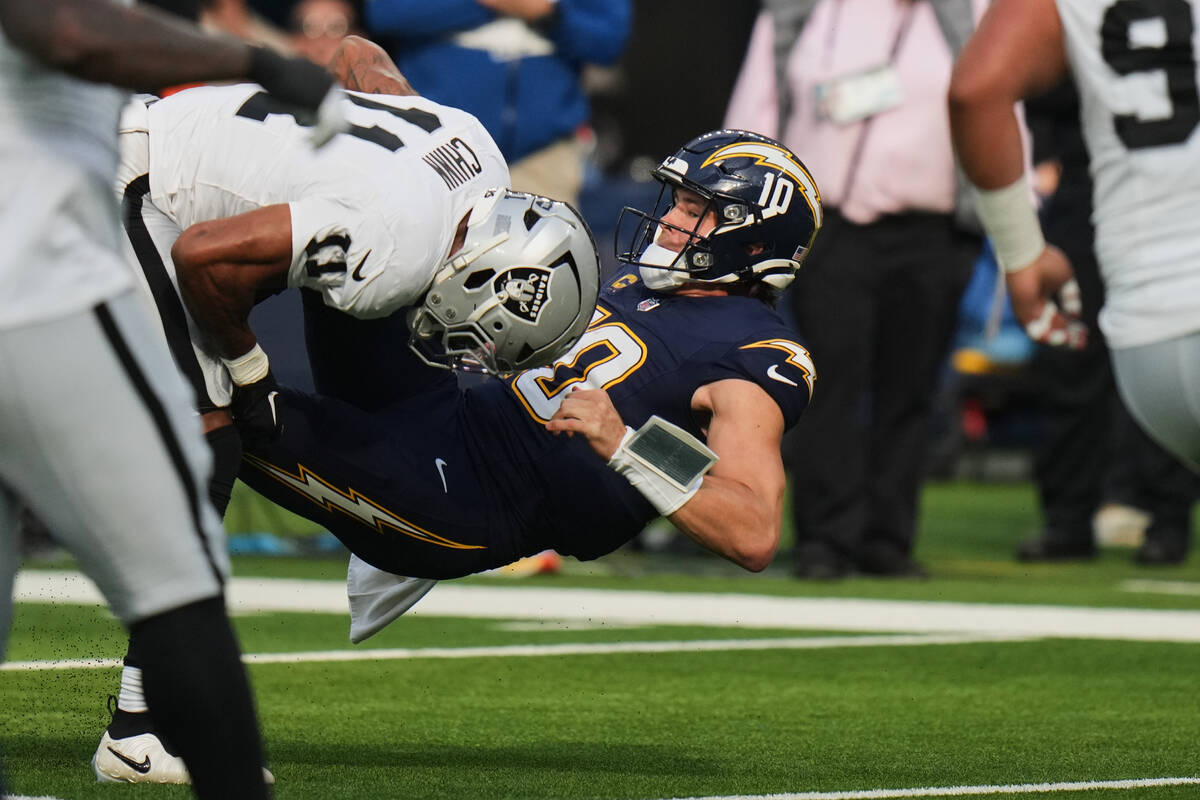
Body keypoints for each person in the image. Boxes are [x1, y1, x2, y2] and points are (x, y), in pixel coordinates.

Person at [91, 34, 600, 784]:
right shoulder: (393, 256)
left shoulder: (479, 154)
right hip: (132, 185)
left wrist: (276, 155)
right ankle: (138, 731)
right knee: (207, 446)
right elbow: (203, 254)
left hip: (146, 136)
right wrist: (248, 363)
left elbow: (351, 53)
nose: (468, 357)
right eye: (484, 340)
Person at [208, 130, 820, 594]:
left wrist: (627, 443)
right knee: (348, 242)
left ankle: (148, 702)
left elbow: (753, 531)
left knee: (218, 414)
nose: (668, 219)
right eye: (677, 202)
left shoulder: (755, 356)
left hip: (467, 498)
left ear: (754, 240)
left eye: (693, 210)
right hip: (439, 408)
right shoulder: (644, 283)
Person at [0, 0, 348, 796]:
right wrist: (260, 61)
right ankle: (145, 733)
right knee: (177, 566)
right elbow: (70, 31)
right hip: (31, 298)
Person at [724, 0, 986, 579]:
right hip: (828, 228)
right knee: (828, 384)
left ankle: (888, 540)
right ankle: (826, 539)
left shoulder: (970, 11)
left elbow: (994, 106)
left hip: (932, 230)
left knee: (911, 389)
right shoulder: (798, 12)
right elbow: (754, 121)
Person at [947, 0, 1200, 555]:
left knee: (1072, 351)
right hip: (1100, 194)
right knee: (1072, 368)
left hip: (1153, 334)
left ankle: (1155, 515)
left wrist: (1019, 250)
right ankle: (1083, 514)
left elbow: (976, 88)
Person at [1016, 79, 1197, 565]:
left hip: (1169, 191)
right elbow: (1031, 87)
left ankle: (1166, 515)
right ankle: (1069, 518)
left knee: (1166, 350)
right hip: (1093, 183)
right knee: (1074, 358)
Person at [363, 0, 632, 204]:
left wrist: (550, 15)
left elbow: (608, 40)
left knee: (542, 268)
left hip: (542, 155)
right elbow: (386, 12)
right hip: (435, 150)